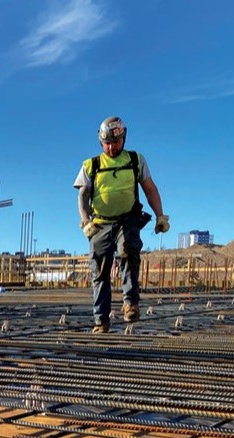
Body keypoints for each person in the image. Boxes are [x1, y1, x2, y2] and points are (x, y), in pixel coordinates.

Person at [74, 116, 169, 334]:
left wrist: (160, 216)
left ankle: (130, 303)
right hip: (100, 224)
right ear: (101, 142)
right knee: (99, 271)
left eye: (115, 142)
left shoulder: (135, 160)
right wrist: (85, 220)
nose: (111, 147)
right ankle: (101, 321)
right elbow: (82, 195)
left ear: (123, 139)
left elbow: (150, 189)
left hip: (127, 219)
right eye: (107, 143)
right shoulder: (92, 165)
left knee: (128, 251)